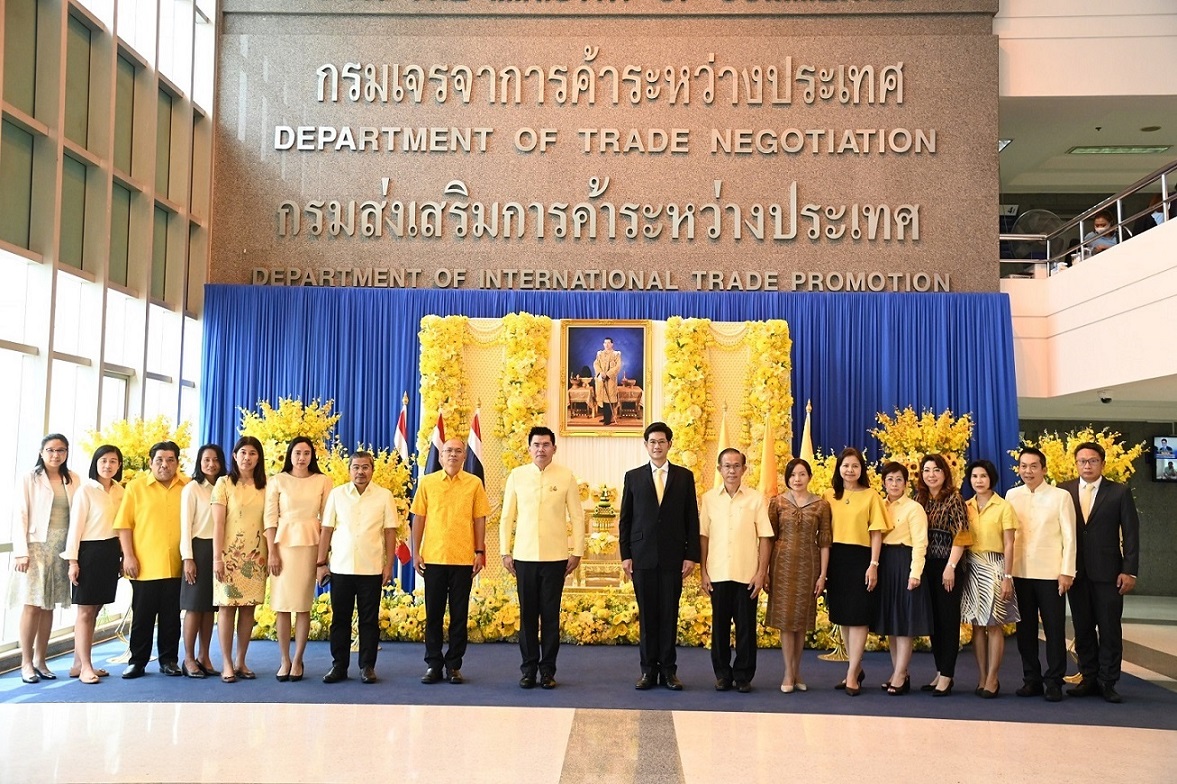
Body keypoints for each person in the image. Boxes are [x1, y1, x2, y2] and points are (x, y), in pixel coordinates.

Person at [500, 426, 584, 689]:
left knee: (550, 616)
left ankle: (547, 670)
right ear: (529, 448)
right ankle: (528, 669)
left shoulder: (566, 476)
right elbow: (506, 517)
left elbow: (577, 516)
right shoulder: (517, 475)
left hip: (556, 557)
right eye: (536, 445)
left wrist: (577, 551)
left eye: (546, 445)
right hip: (524, 556)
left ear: (554, 448)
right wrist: (505, 551)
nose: (541, 449)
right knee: (527, 616)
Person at [619, 422, 700, 691]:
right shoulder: (633, 477)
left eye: (661, 441)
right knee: (648, 616)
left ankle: (669, 671)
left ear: (669, 444)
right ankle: (647, 672)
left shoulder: (684, 477)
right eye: (652, 442)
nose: (657, 446)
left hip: (673, 558)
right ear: (645, 445)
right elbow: (626, 520)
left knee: (669, 614)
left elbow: (692, 518)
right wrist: (625, 555)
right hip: (641, 558)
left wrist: (691, 555)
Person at [1061, 442, 1141, 704]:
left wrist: (1129, 570)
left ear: (1102, 464)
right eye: (1082, 461)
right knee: (1082, 628)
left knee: (1108, 629)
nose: (1087, 465)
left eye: (1092, 461)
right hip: (1076, 572)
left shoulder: (1118, 492)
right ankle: (1088, 677)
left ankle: (1108, 681)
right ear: (1076, 464)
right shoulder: (1065, 491)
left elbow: (1131, 533)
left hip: (1109, 573)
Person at [317, 452, 401, 684]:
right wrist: (320, 563)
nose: (360, 472)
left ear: (372, 470)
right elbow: (326, 529)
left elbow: (390, 531)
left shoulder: (384, 496)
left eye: (365, 467)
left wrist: (388, 565)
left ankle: (367, 666)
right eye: (356, 467)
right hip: (341, 567)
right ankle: (339, 666)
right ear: (349, 470)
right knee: (340, 620)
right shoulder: (337, 494)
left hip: (371, 568)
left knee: (369, 620)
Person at [411, 438, 490, 685]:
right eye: (448, 451)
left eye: (457, 451)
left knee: (459, 615)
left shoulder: (474, 484)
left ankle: (454, 665)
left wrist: (479, 551)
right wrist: (415, 552)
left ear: (464, 456)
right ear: (440, 456)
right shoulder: (427, 483)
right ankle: (433, 664)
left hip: (464, 558)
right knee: (433, 614)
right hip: (433, 558)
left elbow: (479, 519)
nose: (452, 455)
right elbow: (419, 519)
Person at [114, 440, 190, 679]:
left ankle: (169, 660)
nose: (164, 465)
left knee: (171, 617)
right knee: (142, 617)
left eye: (170, 460)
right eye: (159, 460)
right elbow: (124, 525)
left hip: (177, 563)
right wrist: (128, 556)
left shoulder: (188, 486)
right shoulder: (136, 488)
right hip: (144, 564)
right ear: (150, 462)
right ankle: (137, 661)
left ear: (177, 462)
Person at [1005, 447, 1075, 703]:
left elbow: (1069, 536)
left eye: (1033, 466)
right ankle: (1031, 679)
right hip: (1020, 572)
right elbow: (1008, 537)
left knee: (1054, 629)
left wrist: (1067, 571)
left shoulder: (1060, 496)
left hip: (1050, 574)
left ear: (1044, 469)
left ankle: (1054, 680)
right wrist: (1007, 573)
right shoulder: (1012, 495)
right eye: (1023, 466)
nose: (1028, 471)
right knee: (1025, 631)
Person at [699, 448, 772, 693]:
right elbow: (704, 537)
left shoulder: (756, 499)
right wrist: (704, 573)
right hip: (718, 573)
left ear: (744, 469)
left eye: (736, 466)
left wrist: (761, 573)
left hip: (746, 574)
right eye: (727, 466)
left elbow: (765, 537)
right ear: (719, 469)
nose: (731, 470)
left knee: (746, 628)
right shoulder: (709, 499)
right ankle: (722, 674)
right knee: (719, 628)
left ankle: (743, 675)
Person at [263, 437, 334, 682]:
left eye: (306, 453)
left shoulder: (323, 481)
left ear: (312, 456)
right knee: (282, 606)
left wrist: (324, 557)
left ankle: (298, 658)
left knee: (303, 605)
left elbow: (327, 521)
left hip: (310, 546)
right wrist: (271, 551)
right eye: (297, 452)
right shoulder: (277, 480)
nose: (301, 457)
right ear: (289, 455)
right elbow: (270, 519)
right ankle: (284, 659)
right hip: (282, 547)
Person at [11, 434, 79, 684]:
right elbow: (20, 513)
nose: (55, 455)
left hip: (61, 547)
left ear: (66, 453)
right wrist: (21, 551)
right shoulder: (30, 478)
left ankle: (41, 659)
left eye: (61, 450)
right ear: (41, 452)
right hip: (36, 546)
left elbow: (78, 515)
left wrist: (74, 552)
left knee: (48, 604)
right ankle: (25, 662)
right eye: (50, 450)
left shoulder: (72, 479)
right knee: (32, 605)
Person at [822, 447, 890, 696]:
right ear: (838, 468)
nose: (850, 470)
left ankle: (851, 674)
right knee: (842, 616)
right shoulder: (828, 495)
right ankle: (855, 667)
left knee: (859, 615)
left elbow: (876, 532)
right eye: (845, 465)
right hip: (836, 558)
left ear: (862, 469)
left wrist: (874, 564)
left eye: (855, 466)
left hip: (861, 558)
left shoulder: (871, 496)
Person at [766, 458, 832, 694]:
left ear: (809, 477)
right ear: (787, 478)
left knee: (801, 621)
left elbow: (825, 542)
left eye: (802, 474)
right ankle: (788, 672)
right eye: (793, 475)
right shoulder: (777, 503)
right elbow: (768, 539)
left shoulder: (821, 505)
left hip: (809, 564)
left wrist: (823, 575)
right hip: (781, 564)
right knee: (786, 620)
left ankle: (797, 670)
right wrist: (764, 571)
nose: (797, 479)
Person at [62, 444, 125, 684]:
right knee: (85, 611)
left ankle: (78, 663)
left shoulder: (120, 491)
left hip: (110, 552)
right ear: (95, 463)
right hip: (88, 552)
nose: (108, 465)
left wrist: (122, 556)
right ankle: (86, 666)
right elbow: (75, 528)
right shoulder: (86, 490)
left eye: (113, 461)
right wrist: (73, 561)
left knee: (96, 610)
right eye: (103, 461)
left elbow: (122, 527)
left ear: (119, 465)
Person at [871, 461, 932, 696]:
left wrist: (915, 573)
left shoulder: (914, 508)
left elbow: (920, 543)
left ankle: (900, 673)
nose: (894, 484)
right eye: (890, 479)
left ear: (906, 484)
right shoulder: (879, 505)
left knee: (905, 623)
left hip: (905, 563)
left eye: (899, 480)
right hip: (885, 563)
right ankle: (899, 672)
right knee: (892, 623)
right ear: (883, 482)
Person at [211, 436, 269, 683]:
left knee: (248, 609)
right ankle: (226, 662)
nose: (248, 457)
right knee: (226, 608)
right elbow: (218, 524)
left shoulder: (266, 486)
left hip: (256, 556)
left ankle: (241, 660)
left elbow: (270, 523)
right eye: (243, 452)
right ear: (234, 456)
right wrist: (217, 559)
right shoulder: (223, 484)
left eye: (253, 453)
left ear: (259, 457)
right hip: (229, 556)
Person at [961, 459, 1020, 699]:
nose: (978, 481)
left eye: (983, 476)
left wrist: (1008, 576)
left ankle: (993, 678)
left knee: (994, 625)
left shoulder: (1004, 506)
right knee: (976, 625)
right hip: (972, 568)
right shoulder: (966, 506)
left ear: (991, 478)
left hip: (996, 568)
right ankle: (982, 676)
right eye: (974, 476)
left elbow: (1009, 543)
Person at [915, 453, 972, 696]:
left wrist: (951, 566)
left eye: (936, 470)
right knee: (934, 621)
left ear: (945, 473)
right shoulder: (920, 498)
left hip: (948, 566)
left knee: (948, 620)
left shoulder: (954, 499)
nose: (931, 475)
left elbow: (962, 535)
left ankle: (948, 675)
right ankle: (940, 670)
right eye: (927, 470)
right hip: (927, 566)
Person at [179, 444, 225, 678]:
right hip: (197, 549)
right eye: (206, 460)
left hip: (218, 551)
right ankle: (188, 658)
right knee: (194, 607)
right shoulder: (192, 488)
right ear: (199, 462)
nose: (211, 464)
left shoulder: (225, 486)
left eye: (215, 460)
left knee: (210, 608)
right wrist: (188, 557)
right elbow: (185, 526)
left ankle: (204, 656)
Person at [593, 337, 621, 425]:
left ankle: (608, 419)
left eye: (609, 343)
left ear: (612, 344)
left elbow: (618, 366)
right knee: (603, 399)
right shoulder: (600, 354)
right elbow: (596, 364)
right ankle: (605, 417)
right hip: (601, 379)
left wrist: (607, 374)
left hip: (610, 380)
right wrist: (600, 372)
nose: (607, 345)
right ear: (603, 344)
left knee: (609, 399)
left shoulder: (616, 354)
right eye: (605, 343)